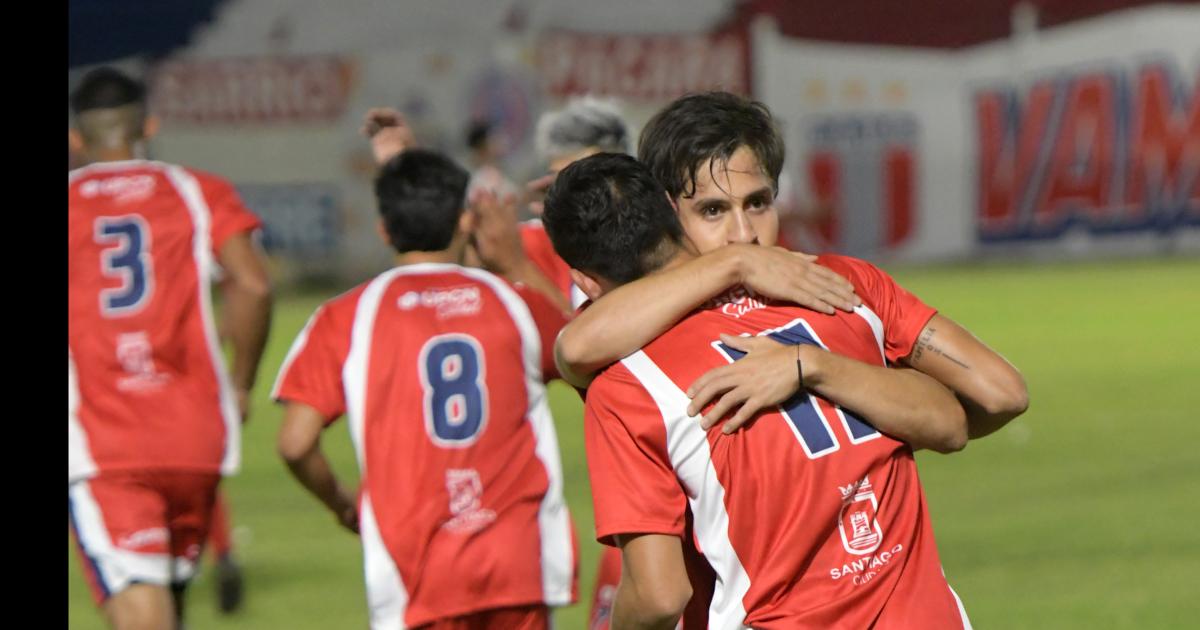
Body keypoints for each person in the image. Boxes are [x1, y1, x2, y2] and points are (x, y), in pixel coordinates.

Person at [542, 152, 979, 628]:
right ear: (673, 212)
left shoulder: (625, 382)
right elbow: (968, 413)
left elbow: (659, 596)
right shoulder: (828, 292)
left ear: (584, 283)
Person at [556, 92, 1029, 444]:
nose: (744, 234)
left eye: (758, 203)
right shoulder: (645, 316)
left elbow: (1001, 392)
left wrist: (841, 392)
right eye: (714, 211)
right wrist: (735, 264)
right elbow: (576, 347)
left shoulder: (839, 283)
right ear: (666, 211)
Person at [272, 148, 578, 630]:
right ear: (464, 221)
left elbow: (295, 442)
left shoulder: (347, 317)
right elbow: (590, 353)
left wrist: (342, 505)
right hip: (518, 559)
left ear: (384, 230)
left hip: (417, 568)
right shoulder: (513, 301)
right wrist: (517, 263)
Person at [68, 67, 273, 629]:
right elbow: (253, 284)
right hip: (195, 437)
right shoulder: (195, 191)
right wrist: (241, 384)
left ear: (76, 138)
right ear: (148, 127)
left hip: (107, 441)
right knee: (169, 609)